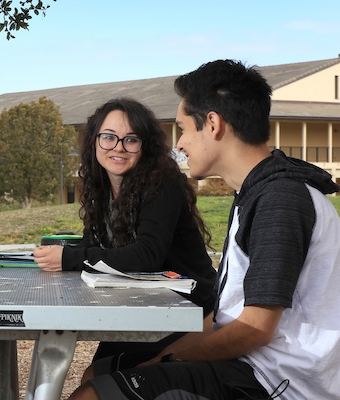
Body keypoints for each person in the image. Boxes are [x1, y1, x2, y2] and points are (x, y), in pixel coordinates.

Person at [70, 60, 340, 400]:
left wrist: (170, 359)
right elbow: (235, 321)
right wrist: (161, 360)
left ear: (213, 124)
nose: (180, 144)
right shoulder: (257, 191)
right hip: (248, 363)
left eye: (184, 128)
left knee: (93, 395)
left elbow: (254, 330)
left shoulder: (281, 200)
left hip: (272, 382)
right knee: (100, 375)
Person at [33, 97, 217, 362]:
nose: (118, 147)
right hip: (146, 303)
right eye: (108, 137)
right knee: (95, 376)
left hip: (189, 309)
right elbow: (95, 243)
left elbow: (147, 254)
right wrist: (60, 252)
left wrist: (69, 258)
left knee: (96, 379)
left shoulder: (161, 184)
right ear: (95, 141)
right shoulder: (102, 185)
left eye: (131, 139)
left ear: (145, 146)